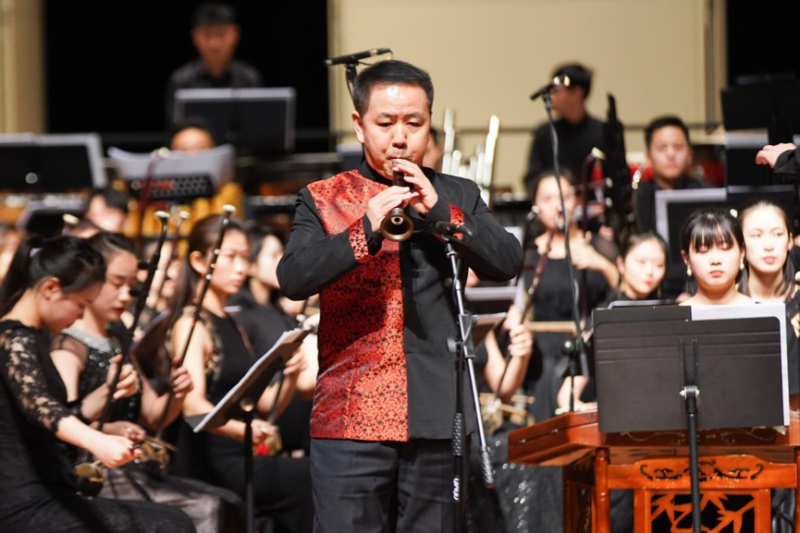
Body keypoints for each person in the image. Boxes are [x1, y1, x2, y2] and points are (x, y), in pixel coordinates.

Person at [277, 59, 522, 532]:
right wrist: (364, 228)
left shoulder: (458, 193)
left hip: (438, 412)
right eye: (385, 123)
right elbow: (293, 278)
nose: (400, 137)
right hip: (351, 411)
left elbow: (506, 261)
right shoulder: (323, 197)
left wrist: (442, 212)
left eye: (414, 123)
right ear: (359, 126)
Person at [0, 235, 195, 532]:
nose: (81, 315)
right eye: (81, 304)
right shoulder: (12, 337)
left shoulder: (32, 336)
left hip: (50, 491)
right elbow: (41, 406)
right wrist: (97, 441)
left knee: (173, 519)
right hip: (21, 501)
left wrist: (108, 392)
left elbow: (60, 416)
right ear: (51, 288)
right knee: (171, 524)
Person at [50, 232, 243, 532]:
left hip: (131, 468)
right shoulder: (69, 346)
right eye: (117, 284)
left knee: (227, 501)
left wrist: (177, 392)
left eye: (131, 287)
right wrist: (107, 428)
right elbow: (60, 425)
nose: (126, 296)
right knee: (207, 507)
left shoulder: (116, 339)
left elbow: (154, 414)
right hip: (94, 473)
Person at [159, 214, 313, 533]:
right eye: (230, 257)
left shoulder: (232, 322)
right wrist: (241, 431)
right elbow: (192, 405)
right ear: (199, 261)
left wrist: (290, 375)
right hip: (213, 458)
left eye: (244, 257)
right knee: (310, 476)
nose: (241, 267)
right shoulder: (192, 323)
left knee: (314, 471)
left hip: (240, 451)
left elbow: (264, 404)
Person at [165, 2, 263, 124]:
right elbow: (176, 129)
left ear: (235, 33)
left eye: (221, 35)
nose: (214, 44)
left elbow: (256, 124)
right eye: (207, 35)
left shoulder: (249, 78)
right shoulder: (181, 80)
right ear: (195, 36)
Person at [523, 63, 604, 192]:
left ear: (577, 93)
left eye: (556, 90)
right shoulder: (544, 133)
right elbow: (532, 179)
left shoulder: (602, 132)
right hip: (554, 201)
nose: (551, 96)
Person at [634, 116, 705, 235]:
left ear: (690, 155)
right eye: (662, 148)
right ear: (648, 157)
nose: (671, 154)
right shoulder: (636, 198)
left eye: (678, 147)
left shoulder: (707, 194)